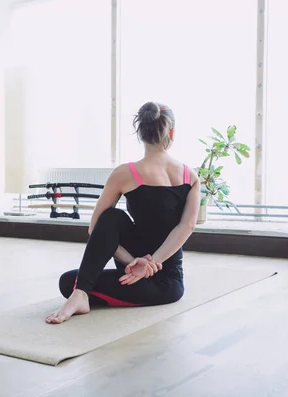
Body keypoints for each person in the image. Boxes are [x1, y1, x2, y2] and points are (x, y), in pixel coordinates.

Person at [46, 102, 200, 324]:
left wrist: (143, 266)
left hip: (154, 282)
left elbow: (94, 227)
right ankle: (81, 294)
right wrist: (141, 264)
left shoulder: (125, 174)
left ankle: (80, 293)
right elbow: (186, 227)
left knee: (68, 281)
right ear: (172, 132)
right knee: (112, 217)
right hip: (169, 283)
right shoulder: (190, 176)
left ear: (140, 132)